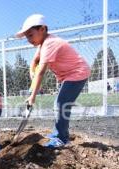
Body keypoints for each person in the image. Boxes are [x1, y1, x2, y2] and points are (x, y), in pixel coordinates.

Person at [16, 14, 91, 148]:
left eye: (30, 35)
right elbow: (34, 62)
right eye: (27, 37)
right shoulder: (41, 45)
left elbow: (42, 71)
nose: (28, 39)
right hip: (67, 76)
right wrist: (32, 74)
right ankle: (59, 133)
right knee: (60, 104)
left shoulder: (50, 43)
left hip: (77, 73)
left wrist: (32, 97)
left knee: (61, 104)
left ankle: (62, 139)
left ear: (43, 29)